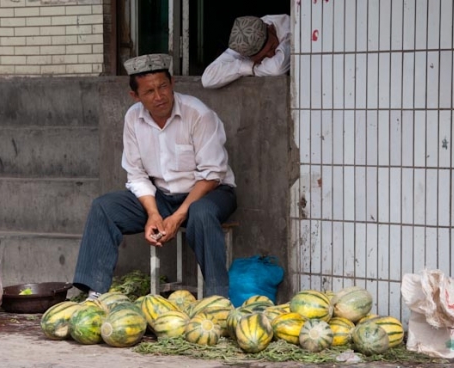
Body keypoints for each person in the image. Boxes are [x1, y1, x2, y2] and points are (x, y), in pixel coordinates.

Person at [73, 54, 237, 300]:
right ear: (135, 96)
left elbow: (212, 175)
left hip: (212, 193)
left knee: (201, 213)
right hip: (162, 196)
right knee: (104, 208)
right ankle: (95, 294)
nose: (159, 97)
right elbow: (136, 174)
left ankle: (217, 301)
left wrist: (178, 215)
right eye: (149, 91)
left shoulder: (198, 114)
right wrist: (153, 214)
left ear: (173, 84)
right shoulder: (132, 118)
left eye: (163, 87)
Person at [201, 14, 291, 89]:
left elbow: (277, 69)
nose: (272, 55)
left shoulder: (288, 27)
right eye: (263, 57)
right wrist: (247, 66)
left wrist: (254, 68)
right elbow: (208, 79)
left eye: (272, 47)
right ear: (246, 56)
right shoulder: (243, 40)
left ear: (270, 28)